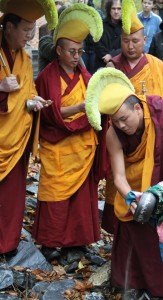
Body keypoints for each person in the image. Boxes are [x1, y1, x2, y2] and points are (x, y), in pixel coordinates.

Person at [85, 67, 163, 299]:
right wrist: (131, 197)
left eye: (124, 119)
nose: (122, 126)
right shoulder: (114, 134)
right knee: (133, 233)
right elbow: (119, 176)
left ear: (137, 107)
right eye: (115, 121)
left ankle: (161, 289)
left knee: (161, 235)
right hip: (134, 191)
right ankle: (131, 284)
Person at [32, 4, 105, 262]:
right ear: (59, 50)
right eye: (72, 51)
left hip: (82, 143)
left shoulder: (84, 75)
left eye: (80, 51)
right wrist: (80, 107)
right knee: (54, 190)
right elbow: (50, 112)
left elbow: (95, 101)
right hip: (58, 144)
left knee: (81, 194)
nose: (77, 57)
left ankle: (78, 239)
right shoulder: (46, 76)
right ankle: (52, 241)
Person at [104, 0, 163, 234]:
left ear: (145, 41)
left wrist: (162, 119)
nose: (130, 46)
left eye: (135, 41)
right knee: (117, 179)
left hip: (154, 135)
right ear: (120, 41)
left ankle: (156, 223)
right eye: (125, 41)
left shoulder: (157, 65)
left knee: (154, 176)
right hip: (121, 136)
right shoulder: (113, 69)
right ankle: (119, 231)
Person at [0, 0, 58, 258]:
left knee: (12, 196)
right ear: (9, 26)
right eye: (26, 31)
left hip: (16, 138)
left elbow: (28, 90)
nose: (29, 37)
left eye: (33, 31)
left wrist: (34, 101)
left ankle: (6, 244)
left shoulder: (24, 57)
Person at [77, 0, 105, 75]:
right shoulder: (76, 13)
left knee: (93, 74)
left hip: (95, 49)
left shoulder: (97, 12)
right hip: (83, 49)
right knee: (83, 72)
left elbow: (102, 29)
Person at [94, 0, 122, 71]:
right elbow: (97, 44)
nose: (116, 11)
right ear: (109, 9)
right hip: (102, 64)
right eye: (113, 8)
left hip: (120, 65)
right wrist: (106, 57)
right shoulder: (101, 25)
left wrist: (111, 55)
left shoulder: (126, 27)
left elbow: (126, 47)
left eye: (119, 9)